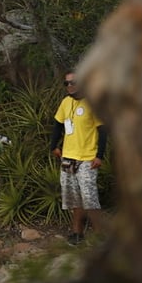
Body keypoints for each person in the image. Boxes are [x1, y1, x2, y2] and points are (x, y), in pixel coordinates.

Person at [49, 71, 108, 244]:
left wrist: (99, 156)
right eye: (66, 83)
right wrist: (54, 146)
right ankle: (77, 233)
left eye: (73, 82)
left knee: (89, 198)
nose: (70, 86)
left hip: (87, 159)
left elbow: (102, 130)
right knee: (73, 197)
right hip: (68, 157)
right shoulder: (65, 103)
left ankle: (99, 236)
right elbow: (58, 126)